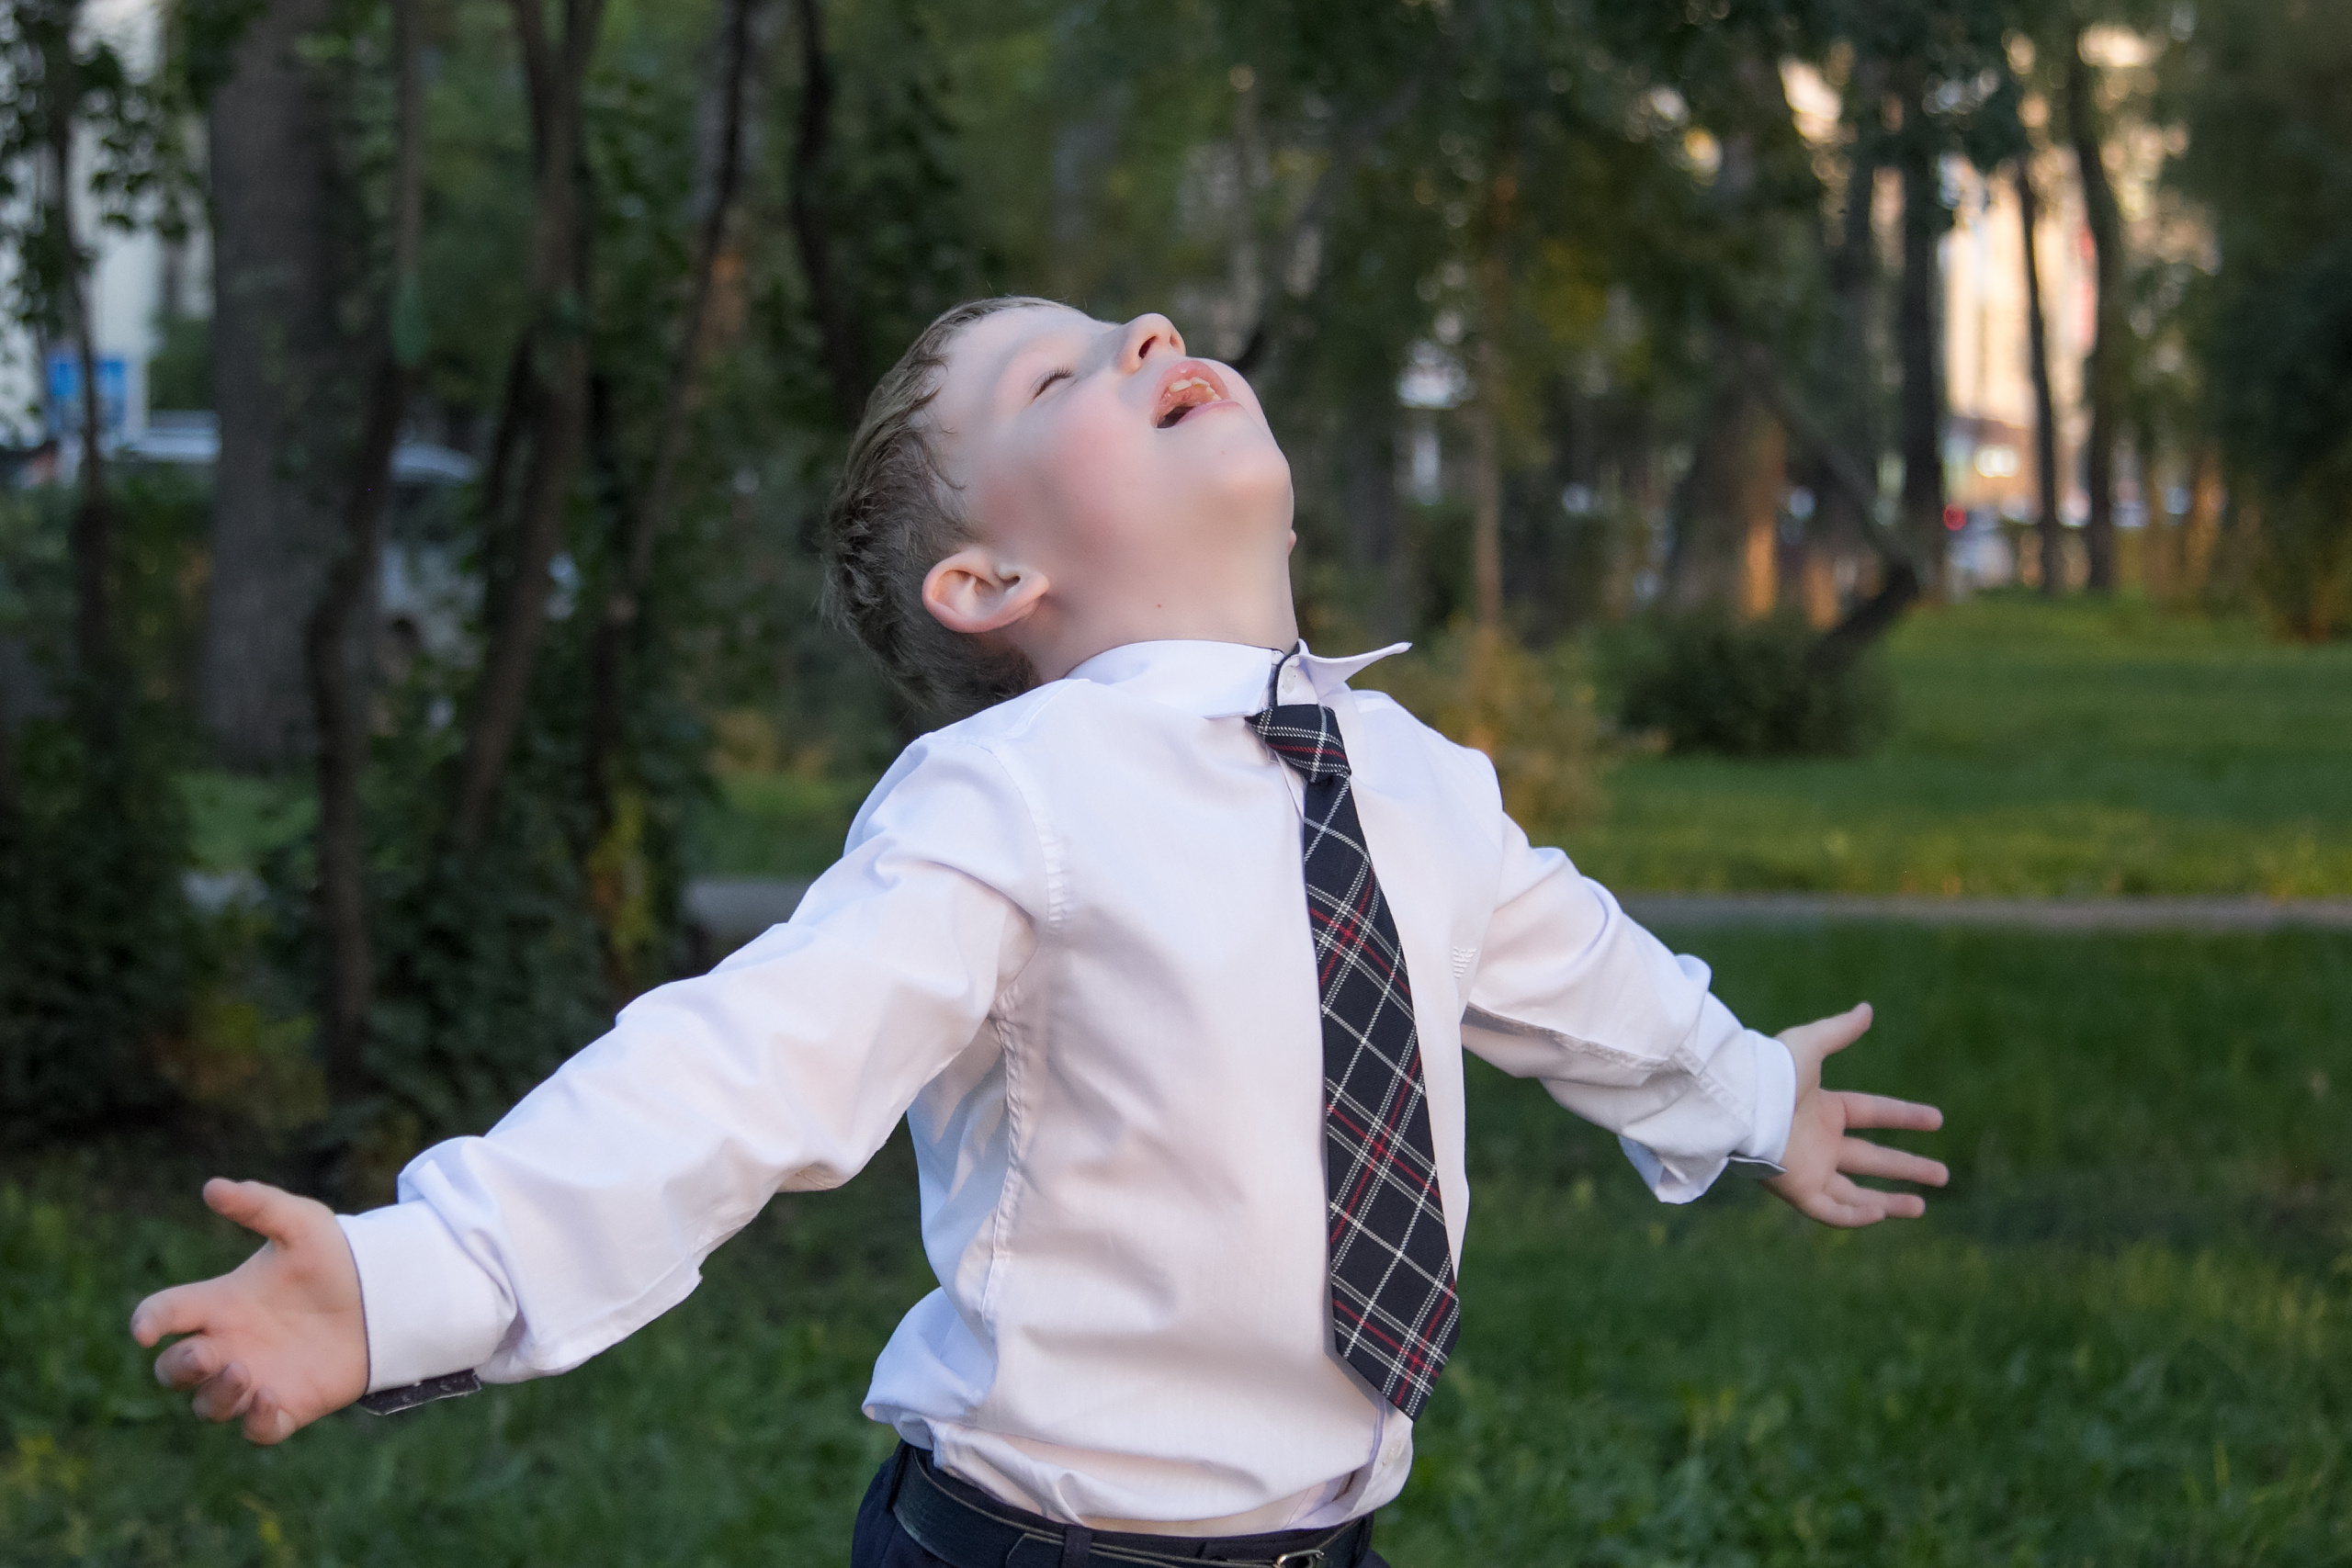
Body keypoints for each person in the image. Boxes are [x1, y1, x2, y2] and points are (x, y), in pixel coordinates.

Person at [131, 298, 1947, 1568]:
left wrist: (1740, 1095)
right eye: (1062, 368)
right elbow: (736, 1071)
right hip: (1027, 1547)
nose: (1145, 332)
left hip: (1328, 1532)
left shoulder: (1413, 781)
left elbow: (1577, 973)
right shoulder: (1011, 800)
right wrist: (410, 1279)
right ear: (989, 580)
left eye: (1129, 325)